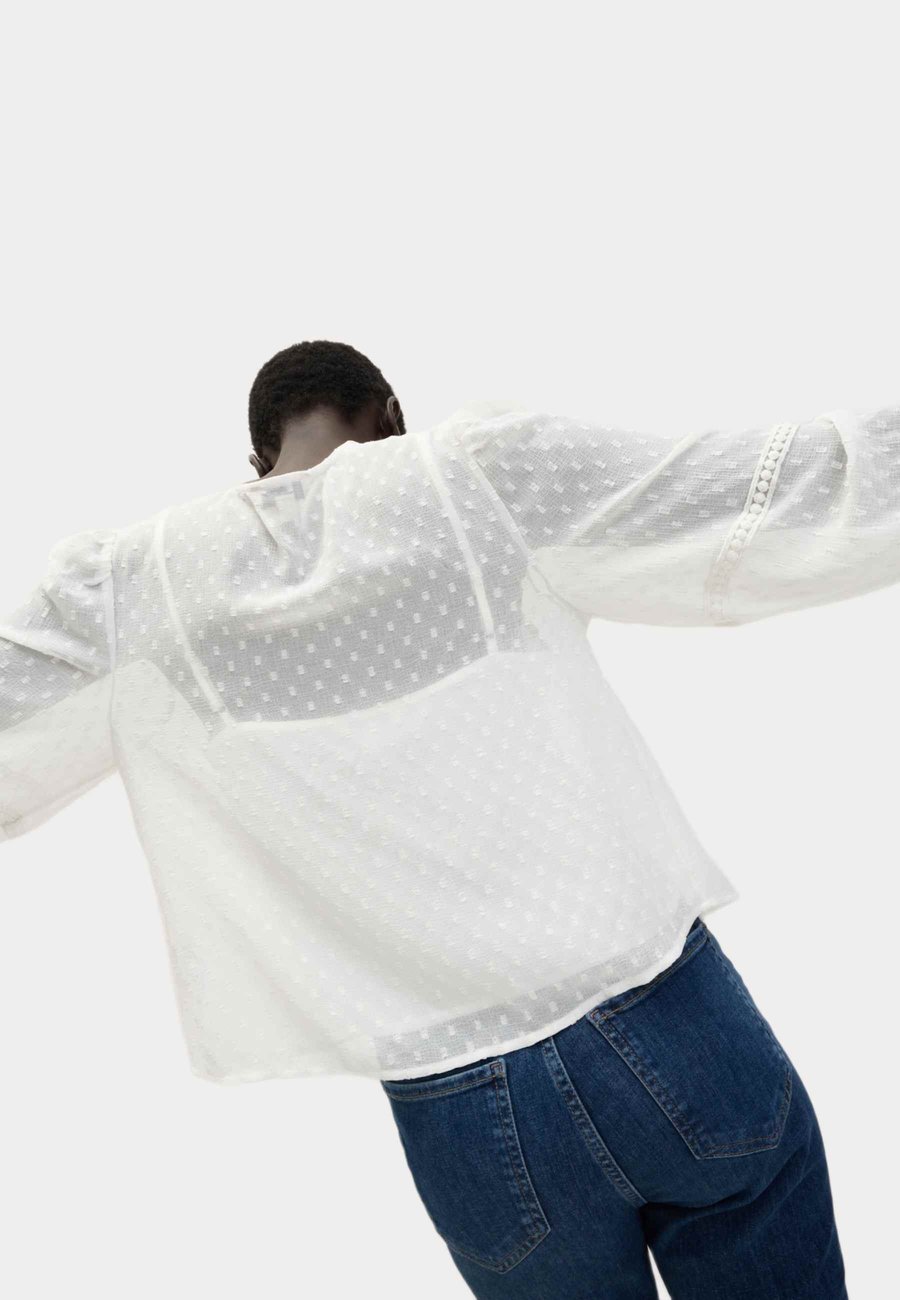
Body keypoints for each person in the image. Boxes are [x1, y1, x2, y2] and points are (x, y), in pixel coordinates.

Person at [4, 338, 888, 1298]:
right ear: (390, 412)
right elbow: (779, 490)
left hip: (464, 1109)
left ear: (257, 461)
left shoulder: (138, 587)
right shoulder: (475, 477)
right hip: (665, 1016)